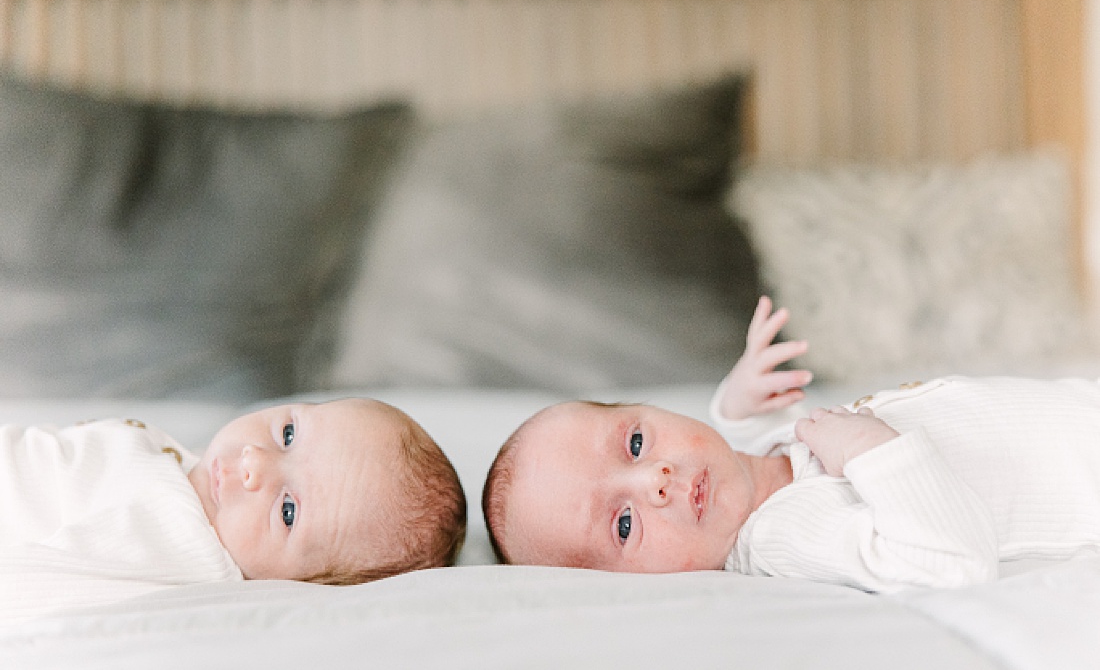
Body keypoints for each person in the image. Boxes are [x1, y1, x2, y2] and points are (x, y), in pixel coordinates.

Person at [481, 296, 1100, 592]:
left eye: (637, 441)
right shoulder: (784, 537)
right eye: (622, 524)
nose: (657, 479)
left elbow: (748, 445)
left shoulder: (755, 474)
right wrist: (873, 452)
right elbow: (950, 563)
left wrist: (738, 400)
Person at [1, 397, 467, 624]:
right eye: (288, 434)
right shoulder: (191, 477)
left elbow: (38, 586)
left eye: (288, 512)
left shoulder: (180, 541)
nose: (254, 462)